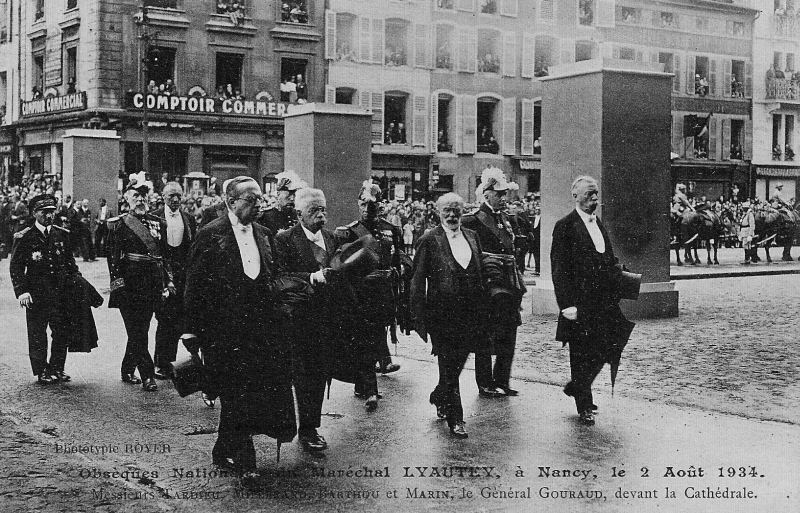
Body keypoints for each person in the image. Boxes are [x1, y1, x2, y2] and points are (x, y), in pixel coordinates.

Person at [183, 177, 296, 477]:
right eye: (251, 199)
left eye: (260, 199)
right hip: (223, 331)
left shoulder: (264, 233)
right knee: (235, 391)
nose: (259, 204)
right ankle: (247, 461)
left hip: (259, 330)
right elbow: (194, 283)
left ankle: (223, 447)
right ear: (231, 202)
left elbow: (274, 275)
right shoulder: (210, 234)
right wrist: (190, 329)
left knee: (244, 391)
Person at [551, 176, 634, 426]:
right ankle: (584, 405)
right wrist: (566, 305)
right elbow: (559, 269)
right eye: (589, 195)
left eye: (596, 194)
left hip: (603, 301)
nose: (595, 199)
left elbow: (606, 257)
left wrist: (619, 273)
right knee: (581, 352)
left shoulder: (598, 223)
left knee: (610, 344)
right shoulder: (564, 226)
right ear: (575, 196)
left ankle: (577, 385)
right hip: (579, 302)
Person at [411, 193, 487, 439]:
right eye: (447, 211)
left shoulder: (473, 237)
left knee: (457, 361)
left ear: (462, 212)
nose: (452, 215)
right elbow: (416, 281)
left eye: (456, 211)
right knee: (448, 362)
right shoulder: (429, 240)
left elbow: (480, 271)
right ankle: (456, 418)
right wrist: (418, 317)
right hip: (441, 315)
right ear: (438, 212)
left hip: (471, 312)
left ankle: (439, 394)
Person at [273, 188, 339, 453]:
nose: (321, 215)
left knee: (321, 374)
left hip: (327, 319)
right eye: (314, 210)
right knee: (303, 374)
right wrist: (311, 277)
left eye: (323, 209)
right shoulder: (286, 240)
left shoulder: (333, 239)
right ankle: (306, 430)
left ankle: (312, 424)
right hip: (299, 320)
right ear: (299, 213)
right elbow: (280, 276)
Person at [335, 180, 407, 410]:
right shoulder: (350, 231)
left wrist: (402, 269)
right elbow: (342, 264)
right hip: (361, 294)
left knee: (375, 337)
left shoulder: (391, 229)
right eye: (363, 204)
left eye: (372, 204)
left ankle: (362, 383)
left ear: (381, 205)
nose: (367, 209)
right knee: (366, 339)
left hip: (384, 293)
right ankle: (370, 390)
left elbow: (399, 257)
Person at [106, 177, 174, 392]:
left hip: (152, 285)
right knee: (137, 332)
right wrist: (119, 287)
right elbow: (113, 260)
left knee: (139, 330)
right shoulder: (119, 224)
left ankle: (127, 368)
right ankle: (147, 375)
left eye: (143, 196)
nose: (140, 200)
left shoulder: (158, 223)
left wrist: (168, 281)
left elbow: (164, 256)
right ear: (126, 199)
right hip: (130, 286)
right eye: (136, 196)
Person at [461, 167, 524, 398]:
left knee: (510, 330)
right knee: (485, 333)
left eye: (504, 193)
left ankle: (502, 380)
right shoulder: (473, 220)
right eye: (499, 194)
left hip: (509, 280)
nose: (503, 198)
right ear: (486, 194)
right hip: (487, 283)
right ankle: (485, 383)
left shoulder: (507, 219)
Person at [10, 194, 81, 384]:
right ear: (35, 213)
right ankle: (41, 370)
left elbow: (70, 263)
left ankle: (57, 367)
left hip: (60, 293)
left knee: (62, 331)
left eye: (52, 212)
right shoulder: (25, 236)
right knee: (37, 333)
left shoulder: (61, 234)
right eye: (45, 212)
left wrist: (76, 284)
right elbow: (16, 266)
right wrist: (22, 291)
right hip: (36, 294)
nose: (49, 216)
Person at [152, 182, 196, 379]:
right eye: (171, 196)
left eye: (178, 195)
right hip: (161, 274)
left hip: (182, 275)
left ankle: (171, 363)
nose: (176, 200)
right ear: (163, 196)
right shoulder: (153, 217)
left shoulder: (189, 219)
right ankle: (160, 363)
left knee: (179, 321)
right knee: (164, 320)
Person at [258, 170, 306, 235]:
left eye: (294, 195)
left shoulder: (299, 216)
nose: (292, 199)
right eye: (288, 195)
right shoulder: (265, 217)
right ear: (278, 194)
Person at [738, 200, 755, 265]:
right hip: (743, 231)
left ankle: (747, 259)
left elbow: (752, 224)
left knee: (747, 245)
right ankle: (747, 259)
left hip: (747, 231)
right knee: (745, 245)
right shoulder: (744, 214)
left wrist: (750, 234)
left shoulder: (750, 214)